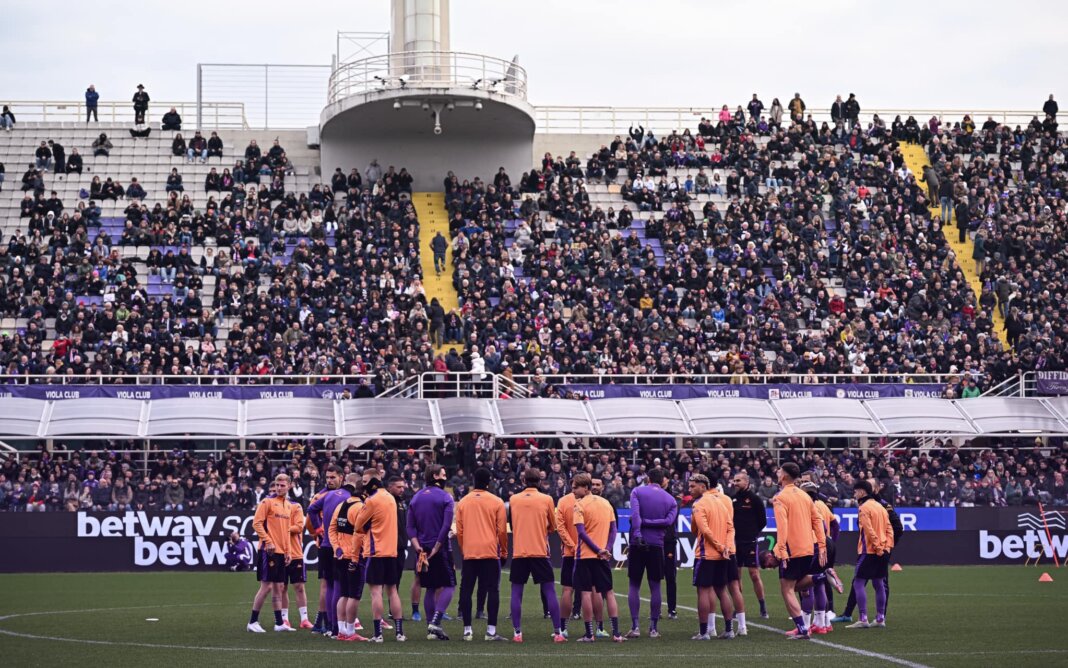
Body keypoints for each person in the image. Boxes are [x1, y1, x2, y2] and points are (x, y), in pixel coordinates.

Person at [508, 468, 565, 643]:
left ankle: (517, 633)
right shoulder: (547, 499)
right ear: (539, 482)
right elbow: (553, 526)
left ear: (524, 481)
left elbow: (512, 522)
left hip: (519, 552)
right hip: (540, 551)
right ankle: (558, 633)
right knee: (550, 591)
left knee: (516, 593)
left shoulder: (513, 499)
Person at [772, 462, 826, 640]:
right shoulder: (804, 496)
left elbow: (782, 527)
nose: (777, 473)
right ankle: (821, 577)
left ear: (785, 476)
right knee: (794, 585)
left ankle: (802, 629)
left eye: (779, 471)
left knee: (786, 589)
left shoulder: (780, 498)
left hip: (792, 549)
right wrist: (822, 544)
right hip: (808, 548)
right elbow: (818, 520)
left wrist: (781, 550)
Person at [455, 467, 508, 642]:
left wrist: (464, 548)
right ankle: (491, 631)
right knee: (493, 589)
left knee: (466, 590)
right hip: (490, 552)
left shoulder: (463, 502)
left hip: (470, 552)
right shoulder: (496, 501)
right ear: (489, 481)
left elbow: (460, 531)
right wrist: (504, 550)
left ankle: (467, 631)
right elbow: (501, 531)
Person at [354, 470, 406, 643]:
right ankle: (399, 633)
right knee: (393, 591)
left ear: (373, 480)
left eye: (366, 480)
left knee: (376, 592)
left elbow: (358, 525)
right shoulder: (390, 497)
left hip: (376, 551)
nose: (364, 484)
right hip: (392, 551)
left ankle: (378, 634)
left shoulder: (371, 500)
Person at [571, 473, 624, 643]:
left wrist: (597, 550)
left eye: (575, 487)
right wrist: (606, 549)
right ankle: (616, 634)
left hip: (586, 556)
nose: (573, 490)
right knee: (609, 592)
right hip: (602, 557)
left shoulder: (579, 505)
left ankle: (589, 634)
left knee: (586, 593)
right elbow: (614, 530)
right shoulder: (606, 503)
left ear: (585, 488)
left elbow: (581, 533)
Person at [625, 468, 677, 638]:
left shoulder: (637, 491)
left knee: (634, 585)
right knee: (655, 586)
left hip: (637, 543)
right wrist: (653, 523)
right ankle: (654, 629)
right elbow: (668, 522)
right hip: (657, 545)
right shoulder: (671, 500)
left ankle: (635, 627)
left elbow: (635, 515)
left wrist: (641, 528)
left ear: (648, 479)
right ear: (663, 481)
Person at [407, 464, 456, 641]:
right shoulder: (445, 497)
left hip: (421, 549)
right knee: (450, 585)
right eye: (443, 474)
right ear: (436, 476)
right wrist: (437, 547)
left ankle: (431, 629)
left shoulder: (416, 497)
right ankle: (435, 622)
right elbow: (446, 525)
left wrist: (416, 545)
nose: (445, 477)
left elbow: (410, 526)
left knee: (430, 587)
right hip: (439, 548)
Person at [690, 473, 735, 641]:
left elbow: (701, 530)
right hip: (723, 555)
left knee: (703, 591)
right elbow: (731, 528)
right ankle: (729, 630)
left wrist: (718, 546)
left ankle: (703, 632)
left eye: (693, 486)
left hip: (705, 554)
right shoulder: (721, 502)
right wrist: (727, 548)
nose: (690, 489)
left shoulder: (699, 504)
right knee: (722, 591)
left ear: (703, 486)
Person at [247, 476, 295, 633]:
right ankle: (252, 622)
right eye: (277, 485)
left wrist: (288, 551)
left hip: (281, 552)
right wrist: (268, 541)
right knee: (266, 586)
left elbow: (287, 531)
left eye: (282, 485)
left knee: (279, 587)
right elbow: (256, 523)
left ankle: (279, 623)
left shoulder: (288, 506)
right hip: (268, 551)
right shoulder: (267, 502)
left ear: (289, 486)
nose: (279, 488)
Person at [306, 464, 349, 636]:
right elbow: (309, 518)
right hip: (330, 545)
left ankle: (324, 621)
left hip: (333, 544)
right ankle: (326, 621)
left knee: (331, 584)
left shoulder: (330, 495)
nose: (330, 480)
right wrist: (317, 531)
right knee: (329, 585)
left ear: (341, 477)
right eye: (328, 477)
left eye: (333, 477)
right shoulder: (321, 495)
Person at [847, 480, 894, 628]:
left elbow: (868, 530)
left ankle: (863, 618)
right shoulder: (881, 507)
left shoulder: (863, 508)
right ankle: (880, 618)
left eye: (855, 491)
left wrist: (877, 547)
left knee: (858, 582)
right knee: (879, 583)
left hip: (869, 551)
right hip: (883, 550)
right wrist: (886, 547)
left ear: (861, 492)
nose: (854, 494)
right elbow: (889, 529)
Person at [329, 473, 367, 641]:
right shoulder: (360, 508)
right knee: (354, 595)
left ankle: (342, 630)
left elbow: (332, 529)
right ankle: (351, 631)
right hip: (354, 557)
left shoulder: (341, 505)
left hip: (340, 556)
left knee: (343, 593)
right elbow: (361, 534)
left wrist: (336, 548)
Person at [799, 480, 838, 634]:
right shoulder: (822, 505)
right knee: (820, 583)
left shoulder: (805, 507)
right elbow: (833, 526)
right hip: (827, 544)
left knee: (807, 584)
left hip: (812, 546)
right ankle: (822, 623)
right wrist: (830, 542)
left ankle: (806, 626)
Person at [730, 471, 768, 618]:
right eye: (734, 480)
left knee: (754, 574)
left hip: (750, 541)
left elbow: (762, 521)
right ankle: (738, 608)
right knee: (736, 576)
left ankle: (763, 606)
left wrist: (752, 533)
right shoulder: (732, 500)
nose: (735, 483)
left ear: (746, 482)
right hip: (735, 542)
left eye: (738, 480)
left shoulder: (755, 499)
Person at [282, 482, 310, 630]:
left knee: (299, 587)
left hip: (295, 553)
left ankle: (304, 619)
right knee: (282, 587)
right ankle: (284, 619)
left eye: (282, 486)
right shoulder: (271, 506)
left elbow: (299, 527)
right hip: (279, 553)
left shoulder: (296, 506)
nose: (279, 489)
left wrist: (280, 527)